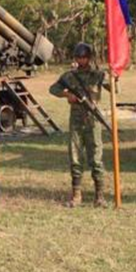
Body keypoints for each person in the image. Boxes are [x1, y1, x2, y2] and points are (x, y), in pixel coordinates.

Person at [49, 42, 107, 208]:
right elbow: (53, 89)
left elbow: (112, 87)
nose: (81, 60)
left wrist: (114, 76)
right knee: (75, 158)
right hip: (75, 121)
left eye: (84, 57)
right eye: (79, 57)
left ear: (89, 58)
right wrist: (66, 94)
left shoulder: (98, 75)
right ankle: (76, 195)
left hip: (93, 121)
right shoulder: (69, 76)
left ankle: (99, 196)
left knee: (96, 157)